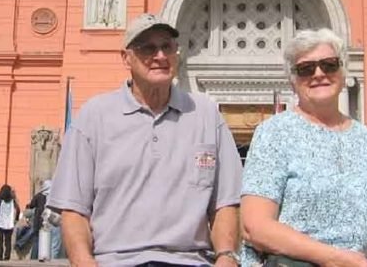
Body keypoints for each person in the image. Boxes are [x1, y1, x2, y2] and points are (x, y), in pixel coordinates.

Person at [48, 13, 242, 266]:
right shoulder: (94, 117)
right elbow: (74, 209)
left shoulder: (206, 114)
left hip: (190, 261)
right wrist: (84, 262)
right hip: (116, 261)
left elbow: (226, 202)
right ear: (126, 58)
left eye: (167, 47)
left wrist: (227, 257)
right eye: (147, 48)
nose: (160, 56)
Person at [241, 28, 367, 267]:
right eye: (306, 69)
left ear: (343, 71)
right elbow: (254, 226)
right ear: (293, 81)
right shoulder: (274, 133)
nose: (319, 74)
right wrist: (338, 260)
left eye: (329, 65)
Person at [14, 180, 50, 260]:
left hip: (38, 220)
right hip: (49, 221)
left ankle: (34, 258)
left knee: (36, 239)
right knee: (48, 240)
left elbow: (32, 205)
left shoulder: (38, 195)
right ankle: (46, 257)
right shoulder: (52, 196)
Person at [0, 184, 20, 261]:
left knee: (0, 241)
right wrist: (16, 219)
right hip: (9, 223)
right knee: (8, 241)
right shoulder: (12, 200)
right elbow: (18, 210)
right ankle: (7, 256)